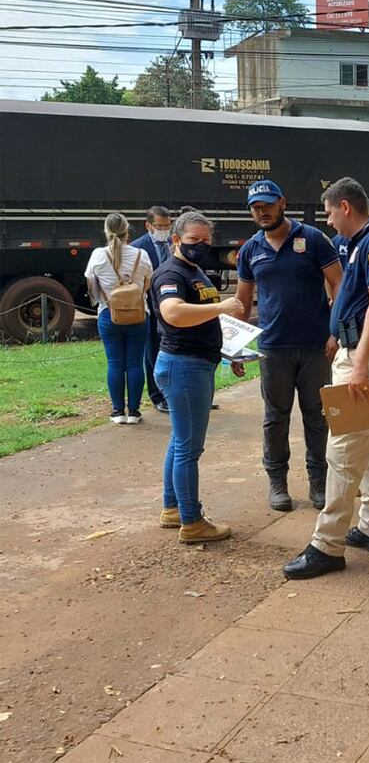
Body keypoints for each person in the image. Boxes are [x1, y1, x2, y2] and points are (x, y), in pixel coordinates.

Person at [283, 176, 369, 580]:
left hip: (363, 357)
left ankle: (327, 545)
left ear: (346, 207)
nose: (330, 221)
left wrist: (361, 364)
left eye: (331, 213)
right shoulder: (361, 242)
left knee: (344, 451)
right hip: (357, 352)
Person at [234, 180, 342, 512]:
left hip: (314, 347)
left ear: (282, 202)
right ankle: (277, 482)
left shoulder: (312, 239)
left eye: (267, 204)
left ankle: (319, 482)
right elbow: (242, 302)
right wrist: (236, 347)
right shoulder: (251, 250)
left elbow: (339, 284)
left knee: (317, 416)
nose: (261, 211)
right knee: (275, 418)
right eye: (255, 207)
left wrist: (334, 333)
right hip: (273, 349)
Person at [152, 211, 245, 545]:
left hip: (196, 362)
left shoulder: (195, 271)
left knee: (180, 442)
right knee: (189, 448)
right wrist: (222, 307)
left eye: (206, 240)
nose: (201, 246)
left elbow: (201, 318)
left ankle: (173, 508)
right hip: (183, 366)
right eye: (194, 240)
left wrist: (230, 352)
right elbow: (173, 312)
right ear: (176, 240)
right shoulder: (171, 273)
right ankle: (192, 522)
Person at [85, 213, 153, 425]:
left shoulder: (98, 255)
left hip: (109, 314)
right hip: (139, 315)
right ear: (127, 231)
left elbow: (91, 286)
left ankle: (117, 411)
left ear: (106, 231)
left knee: (115, 363)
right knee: (135, 363)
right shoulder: (142, 255)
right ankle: (134, 411)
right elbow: (148, 283)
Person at [132, 206, 173, 413]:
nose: (164, 230)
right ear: (148, 225)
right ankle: (157, 395)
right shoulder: (138, 249)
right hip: (150, 306)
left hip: (174, 307)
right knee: (153, 351)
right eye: (159, 226)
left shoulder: (175, 243)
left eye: (167, 225)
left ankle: (177, 393)